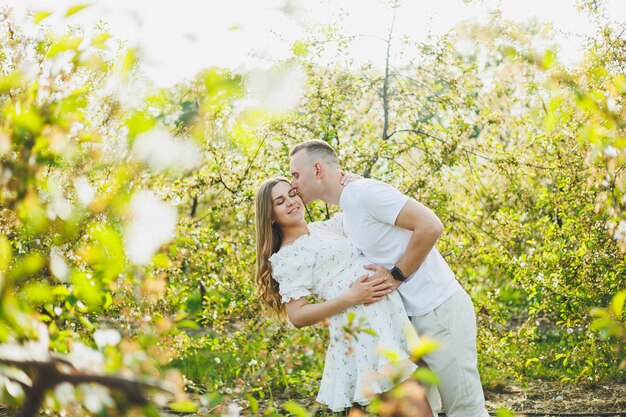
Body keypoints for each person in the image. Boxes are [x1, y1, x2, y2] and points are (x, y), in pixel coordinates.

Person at [289, 140, 490, 417]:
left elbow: (431, 226)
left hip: (439, 312)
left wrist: (397, 274)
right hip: (407, 326)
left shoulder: (364, 193)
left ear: (318, 169)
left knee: (466, 411)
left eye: (296, 174)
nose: (293, 183)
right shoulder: (348, 214)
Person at [255, 177, 432, 414]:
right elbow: (297, 316)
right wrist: (351, 297)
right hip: (363, 329)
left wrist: (350, 179)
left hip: (387, 318)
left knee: (403, 403)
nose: (291, 202)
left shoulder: (324, 228)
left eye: (292, 194)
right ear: (270, 216)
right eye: (280, 201)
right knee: (413, 406)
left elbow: (358, 207)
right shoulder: (289, 255)